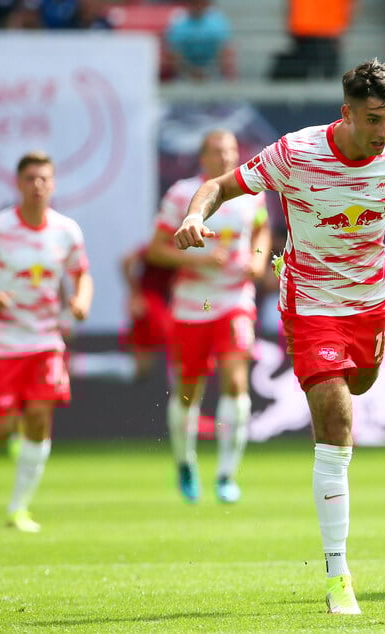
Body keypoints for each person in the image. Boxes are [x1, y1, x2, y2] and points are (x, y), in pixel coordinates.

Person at [172, 59, 385, 615]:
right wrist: (195, 216)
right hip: (312, 304)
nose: (383, 131)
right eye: (373, 119)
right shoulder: (296, 152)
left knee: (361, 386)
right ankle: (338, 574)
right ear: (346, 112)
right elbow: (220, 186)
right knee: (337, 420)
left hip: (370, 302)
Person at [147, 129, 270, 506]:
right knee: (189, 388)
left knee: (236, 381)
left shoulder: (251, 191)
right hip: (194, 304)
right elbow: (156, 250)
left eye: (231, 150)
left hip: (235, 299)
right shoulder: (182, 194)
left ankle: (227, 474)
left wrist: (258, 259)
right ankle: (185, 462)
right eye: (217, 151)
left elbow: (262, 232)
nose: (225, 157)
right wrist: (195, 259)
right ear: (202, 156)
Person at [0, 151, 93, 533]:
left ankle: (18, 509)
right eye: (30, 178)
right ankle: (8, 434)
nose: (37, 185)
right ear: (18, 183)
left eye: (44, 179)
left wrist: (81, 301)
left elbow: (82, 275)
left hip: (46, 339)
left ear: (52, 184)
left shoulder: (66, 230)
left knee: (39, 417)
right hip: (1, 341)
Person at [119, 244, 175, 381]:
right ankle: (83, 366)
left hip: (164, 304)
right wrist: (135, 293)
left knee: (142, 368)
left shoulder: (185, 250)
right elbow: (126, 261)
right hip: (150, 303)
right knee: (140, 367)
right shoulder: (156, 248)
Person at [163, 0, 236, 82]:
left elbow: (225, 53)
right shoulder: (178, 24)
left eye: (201, 3)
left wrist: (210, 73)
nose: (198, 6)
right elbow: (173, 55)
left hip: (213, 75)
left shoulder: (218, 23)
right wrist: (190, 73)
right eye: (195, 3)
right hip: (185, 76)